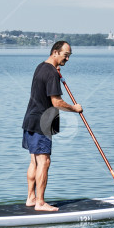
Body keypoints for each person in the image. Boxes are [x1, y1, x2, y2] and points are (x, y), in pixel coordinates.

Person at [22, 41, 82, 211]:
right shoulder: (52, 73)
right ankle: (40, 203)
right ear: (55, 52)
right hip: (42, 122)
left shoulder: (41, 67)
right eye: (65, 55)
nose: (68, 59)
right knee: (44, 162)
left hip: (30, 119)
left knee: (34, 160)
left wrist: (55, 72)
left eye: (69, 55)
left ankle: (31, 198)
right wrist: (74, 108)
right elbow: (56, 102)